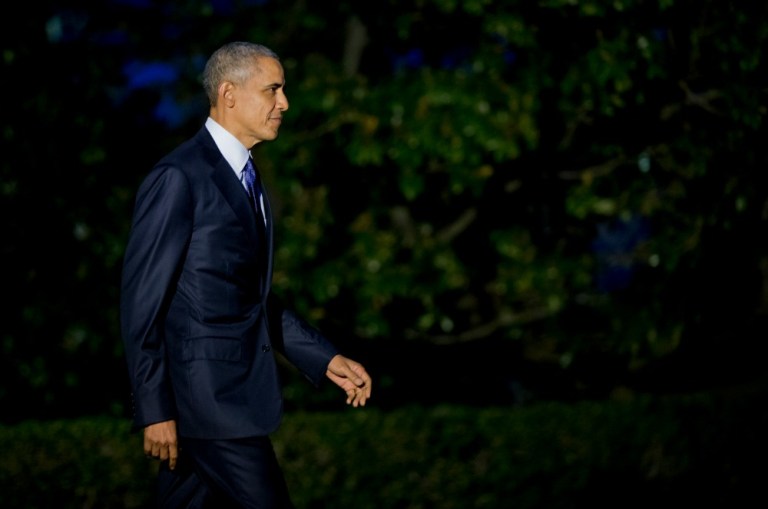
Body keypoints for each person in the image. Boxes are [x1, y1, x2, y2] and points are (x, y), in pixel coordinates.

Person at [120, 41, 372, 508]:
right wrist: (153, 407)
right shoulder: (180, 177)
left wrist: (322, 357)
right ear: (229, 94)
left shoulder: (249, 180)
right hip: (211, 405)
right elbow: (142, 303)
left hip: (221, 405)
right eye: (273, 89)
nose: (285, 103)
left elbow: (249, 298)